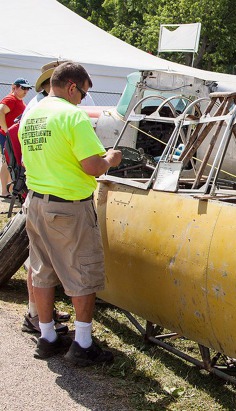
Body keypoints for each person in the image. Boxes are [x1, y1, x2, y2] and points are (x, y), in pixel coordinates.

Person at [19, 62, 122, 365]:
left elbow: (27, 162)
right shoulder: (71, 115)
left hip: (36, 202)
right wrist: (110, 159)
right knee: (84, 272)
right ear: (73, 86)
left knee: (42, 270)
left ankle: (48, 335)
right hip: (67, 207)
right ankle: (83, 343)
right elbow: (92, 165)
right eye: (83, 93)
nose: (83, 100)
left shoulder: (32, 114)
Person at [5, 116, 69, 336]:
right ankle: (36, 315)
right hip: (40, 196)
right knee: (40, 262)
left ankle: (40, 312)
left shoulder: (31, 118)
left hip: (33, 195)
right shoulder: (46, 117)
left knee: (39, 260)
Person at [0, 78, 32, 197]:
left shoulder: (19, 101)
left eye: (27, 88)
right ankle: (4, 191)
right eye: (23, 88)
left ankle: (9, 188)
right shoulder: (11, 99)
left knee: (11, 162)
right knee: (6, 161)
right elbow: (0, 111)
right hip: (7, 137)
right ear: (15, 87)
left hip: (12, 137)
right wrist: (5, 129)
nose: (26, 91)